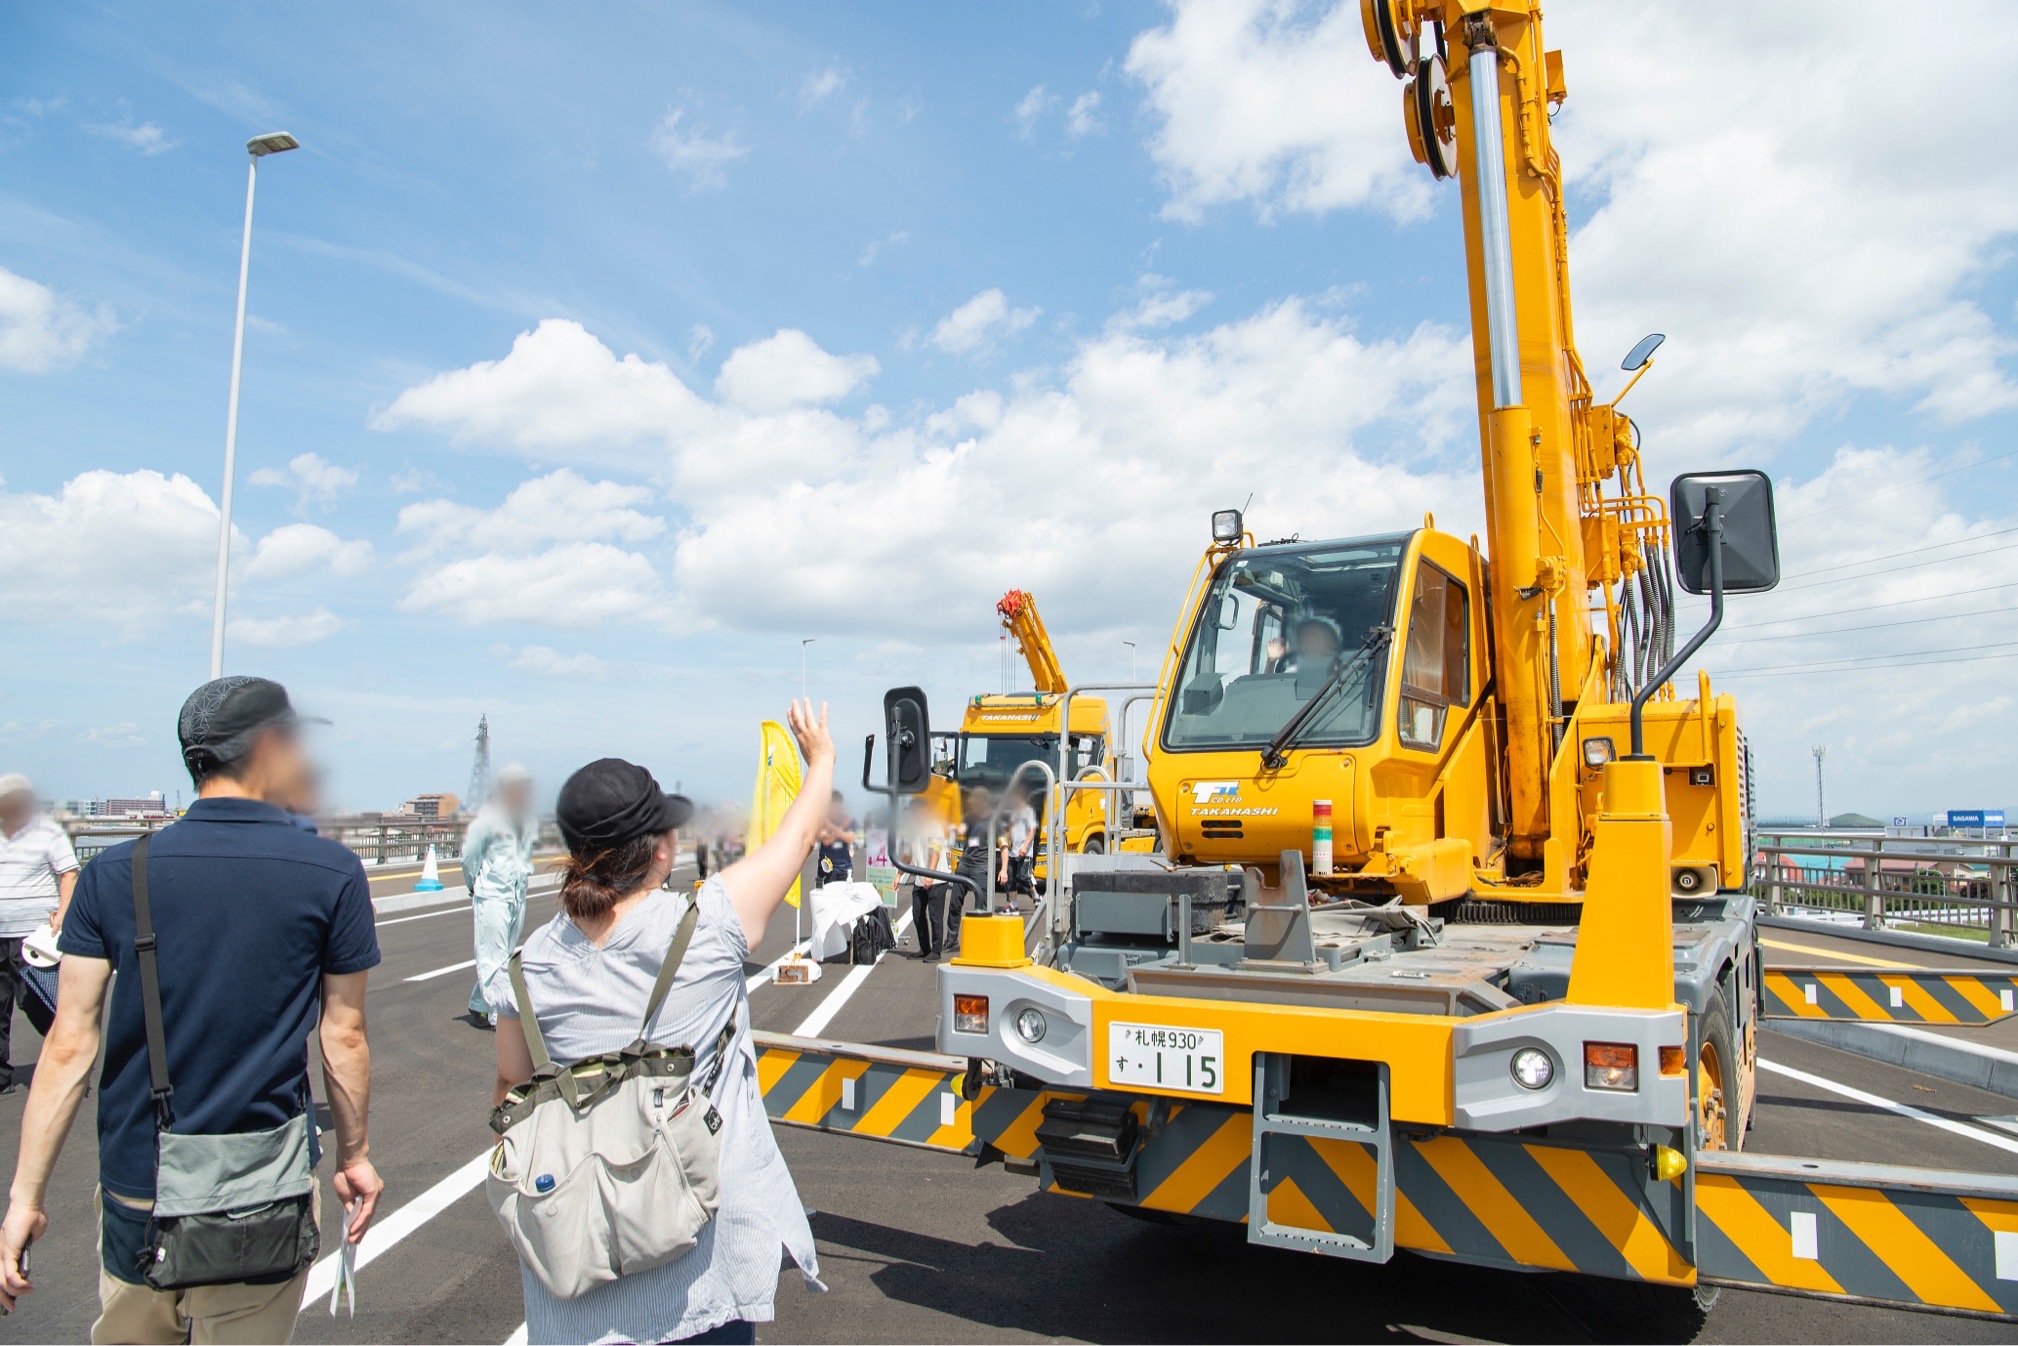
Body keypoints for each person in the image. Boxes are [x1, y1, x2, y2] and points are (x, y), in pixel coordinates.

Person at [0, 675, 383, 1341]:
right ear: (269, 747)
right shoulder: (330, 873)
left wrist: (23, 1201)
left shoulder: (114, 873)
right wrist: (355, 1156)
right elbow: (342, 1034)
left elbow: (68, 1044)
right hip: (263, 1188)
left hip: (139, 1190)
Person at [493, 699, 833, 1345]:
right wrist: (821, 758)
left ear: (573, 851)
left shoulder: (526, 965)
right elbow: (795, 838)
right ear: (662, 847)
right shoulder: (707, 928)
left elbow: (510, 1091)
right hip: (700, 1270)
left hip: (575, 1275)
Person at [0, 774, 79, 1093]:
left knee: (41, 1002)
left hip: (34, 937)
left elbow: (69, 873)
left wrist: (63, 914)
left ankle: (66, 1063)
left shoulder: (46, 830)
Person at [464, 763, 537, 1029]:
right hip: (493, 893)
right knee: (492, 957)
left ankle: (478, 1004)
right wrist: (474, 884)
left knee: (503, 954)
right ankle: (499, 1017)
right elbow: (469, 856)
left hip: (516, 893)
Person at [999, 783, 1039, 914]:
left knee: (1023, 877)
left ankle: (1036, 897)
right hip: (1012, 850)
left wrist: (1025, 846)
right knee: (1010, 879)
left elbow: (1032, 830)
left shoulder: (1028, 811)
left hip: (1024, 851)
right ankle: (1013, 905)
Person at [815, 791, 855, 888]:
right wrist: (841, 831)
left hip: (845, 868)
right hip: (826, 868)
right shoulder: (822, 821)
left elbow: (850, 838)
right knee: (824, 898)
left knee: (844, 898)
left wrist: (832, 829)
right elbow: (825, 841)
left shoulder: (848, 820)